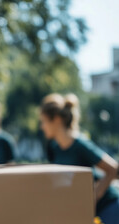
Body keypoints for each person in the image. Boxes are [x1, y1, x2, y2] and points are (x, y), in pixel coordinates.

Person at [40, 93, 119, 224]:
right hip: (85, 213)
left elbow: (113, 168)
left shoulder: (79, 144)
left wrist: (92, 198)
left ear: (57, 119)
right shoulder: (55, 147)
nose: (42, 126)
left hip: (109, 207)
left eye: (43, 121)